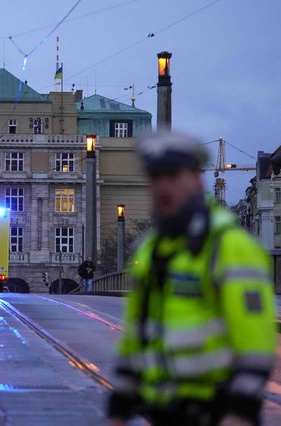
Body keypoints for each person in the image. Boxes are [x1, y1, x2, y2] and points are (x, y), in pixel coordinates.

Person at [107, 132, 276, 426]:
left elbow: (256, 342)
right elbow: (136, 337)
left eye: (173, 175)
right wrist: (118, 408)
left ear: (197, 180)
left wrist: (240, 414)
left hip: (215, 410)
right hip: (160, 410)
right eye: (156, 176)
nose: (163, 186)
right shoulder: (150, 250)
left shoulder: (230, 246)